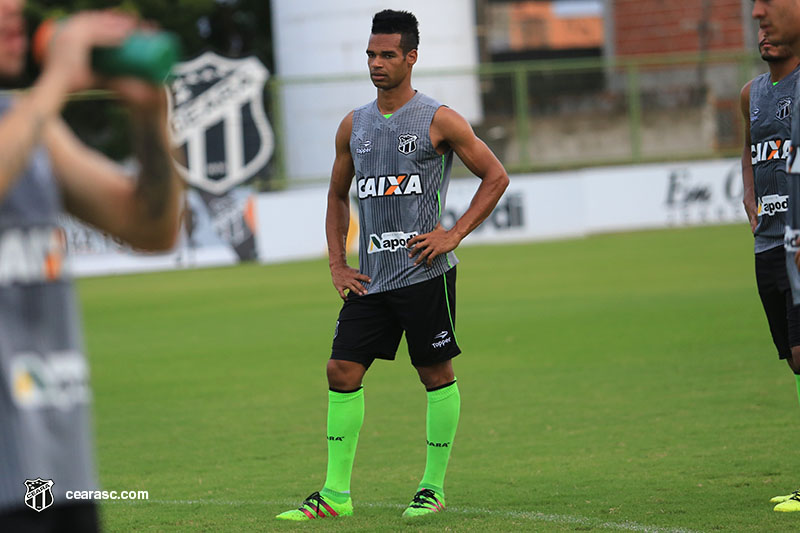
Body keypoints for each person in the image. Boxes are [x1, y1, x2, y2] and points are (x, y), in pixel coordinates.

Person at [276, 9, 509, 521]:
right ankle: (335, 495)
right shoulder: (353, 125)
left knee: (435, 373)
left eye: (387, 55)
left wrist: (452, 235)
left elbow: (495, 177)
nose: (376, 64)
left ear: (411, 57)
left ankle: (432, 487)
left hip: (425, 273)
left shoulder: (439, 118)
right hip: (371, 278)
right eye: (370, 54)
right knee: (340, 369)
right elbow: (337, 197)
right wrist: (338, 264)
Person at [0, 1, 182, 531]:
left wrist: (150, 116)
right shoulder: (31, 117)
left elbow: (152, 229)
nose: (16, 10)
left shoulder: (28, 126)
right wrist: (56, 80)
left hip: (51, 473)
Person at [753, 0, 800, 513]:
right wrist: (749, 192)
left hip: (797, 241)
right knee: (793, 359)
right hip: (767, 243)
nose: (763, 30)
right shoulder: (752, 95)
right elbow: (752, 149)